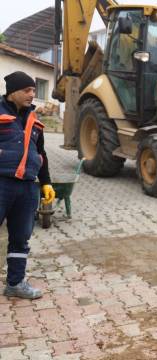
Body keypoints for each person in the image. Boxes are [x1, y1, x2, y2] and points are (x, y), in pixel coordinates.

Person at [0, 71, 55, 299]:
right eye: (27, 90)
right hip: (2, 183)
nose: (32, 95)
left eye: (34, 90)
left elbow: (40, 153)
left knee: (21, 237)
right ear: (12, 92)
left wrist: (46, 183)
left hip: (27, 187)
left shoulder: (35, 121)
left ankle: (15, 284)